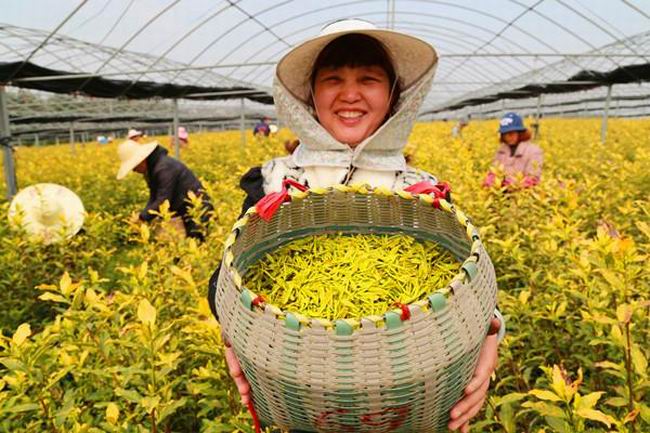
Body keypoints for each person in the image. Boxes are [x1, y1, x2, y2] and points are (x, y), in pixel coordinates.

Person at [212, 19, 504, 433]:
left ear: (393, 96)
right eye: (333, 79)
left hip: (407, 397)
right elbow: (226, 280)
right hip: (307, 394)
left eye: (368, 79)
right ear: (310, 95)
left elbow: (467, 284)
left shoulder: (422, 194)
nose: (350, 94)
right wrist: (232, 336)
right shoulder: (273, 185)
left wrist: (489, 337)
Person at [116, 139, 212, 241]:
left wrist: (142, 217)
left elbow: (163, 200)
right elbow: (154, 196)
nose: (134, 170)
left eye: (134, 166)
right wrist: (143, 215)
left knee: (198, 241)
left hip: (198, 209)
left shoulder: (164, 168)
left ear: (141, 160)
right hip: (186, 209)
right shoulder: (152, 169)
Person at [483, 112, 543, 189]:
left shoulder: (533, 151)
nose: (508, 137)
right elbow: (494, 170)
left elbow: (533, 177)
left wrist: (510, 184)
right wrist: (490, 180)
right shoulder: (501, 150)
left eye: (511, 133)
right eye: (505, 134)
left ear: (520, 133)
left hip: (523, 193)